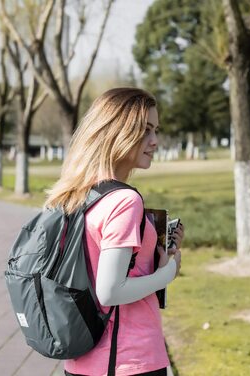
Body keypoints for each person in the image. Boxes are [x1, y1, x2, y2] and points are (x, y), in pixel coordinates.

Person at [44, 88, 184, 376]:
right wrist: (168, 273)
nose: (155, 140)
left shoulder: (77, 194)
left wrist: (156, 259)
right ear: (117, 133)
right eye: (145, 131)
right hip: (127, 358)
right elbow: (109, 290)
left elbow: (95, 267)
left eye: (155, 130)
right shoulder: (124, 201)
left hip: (83, 356)